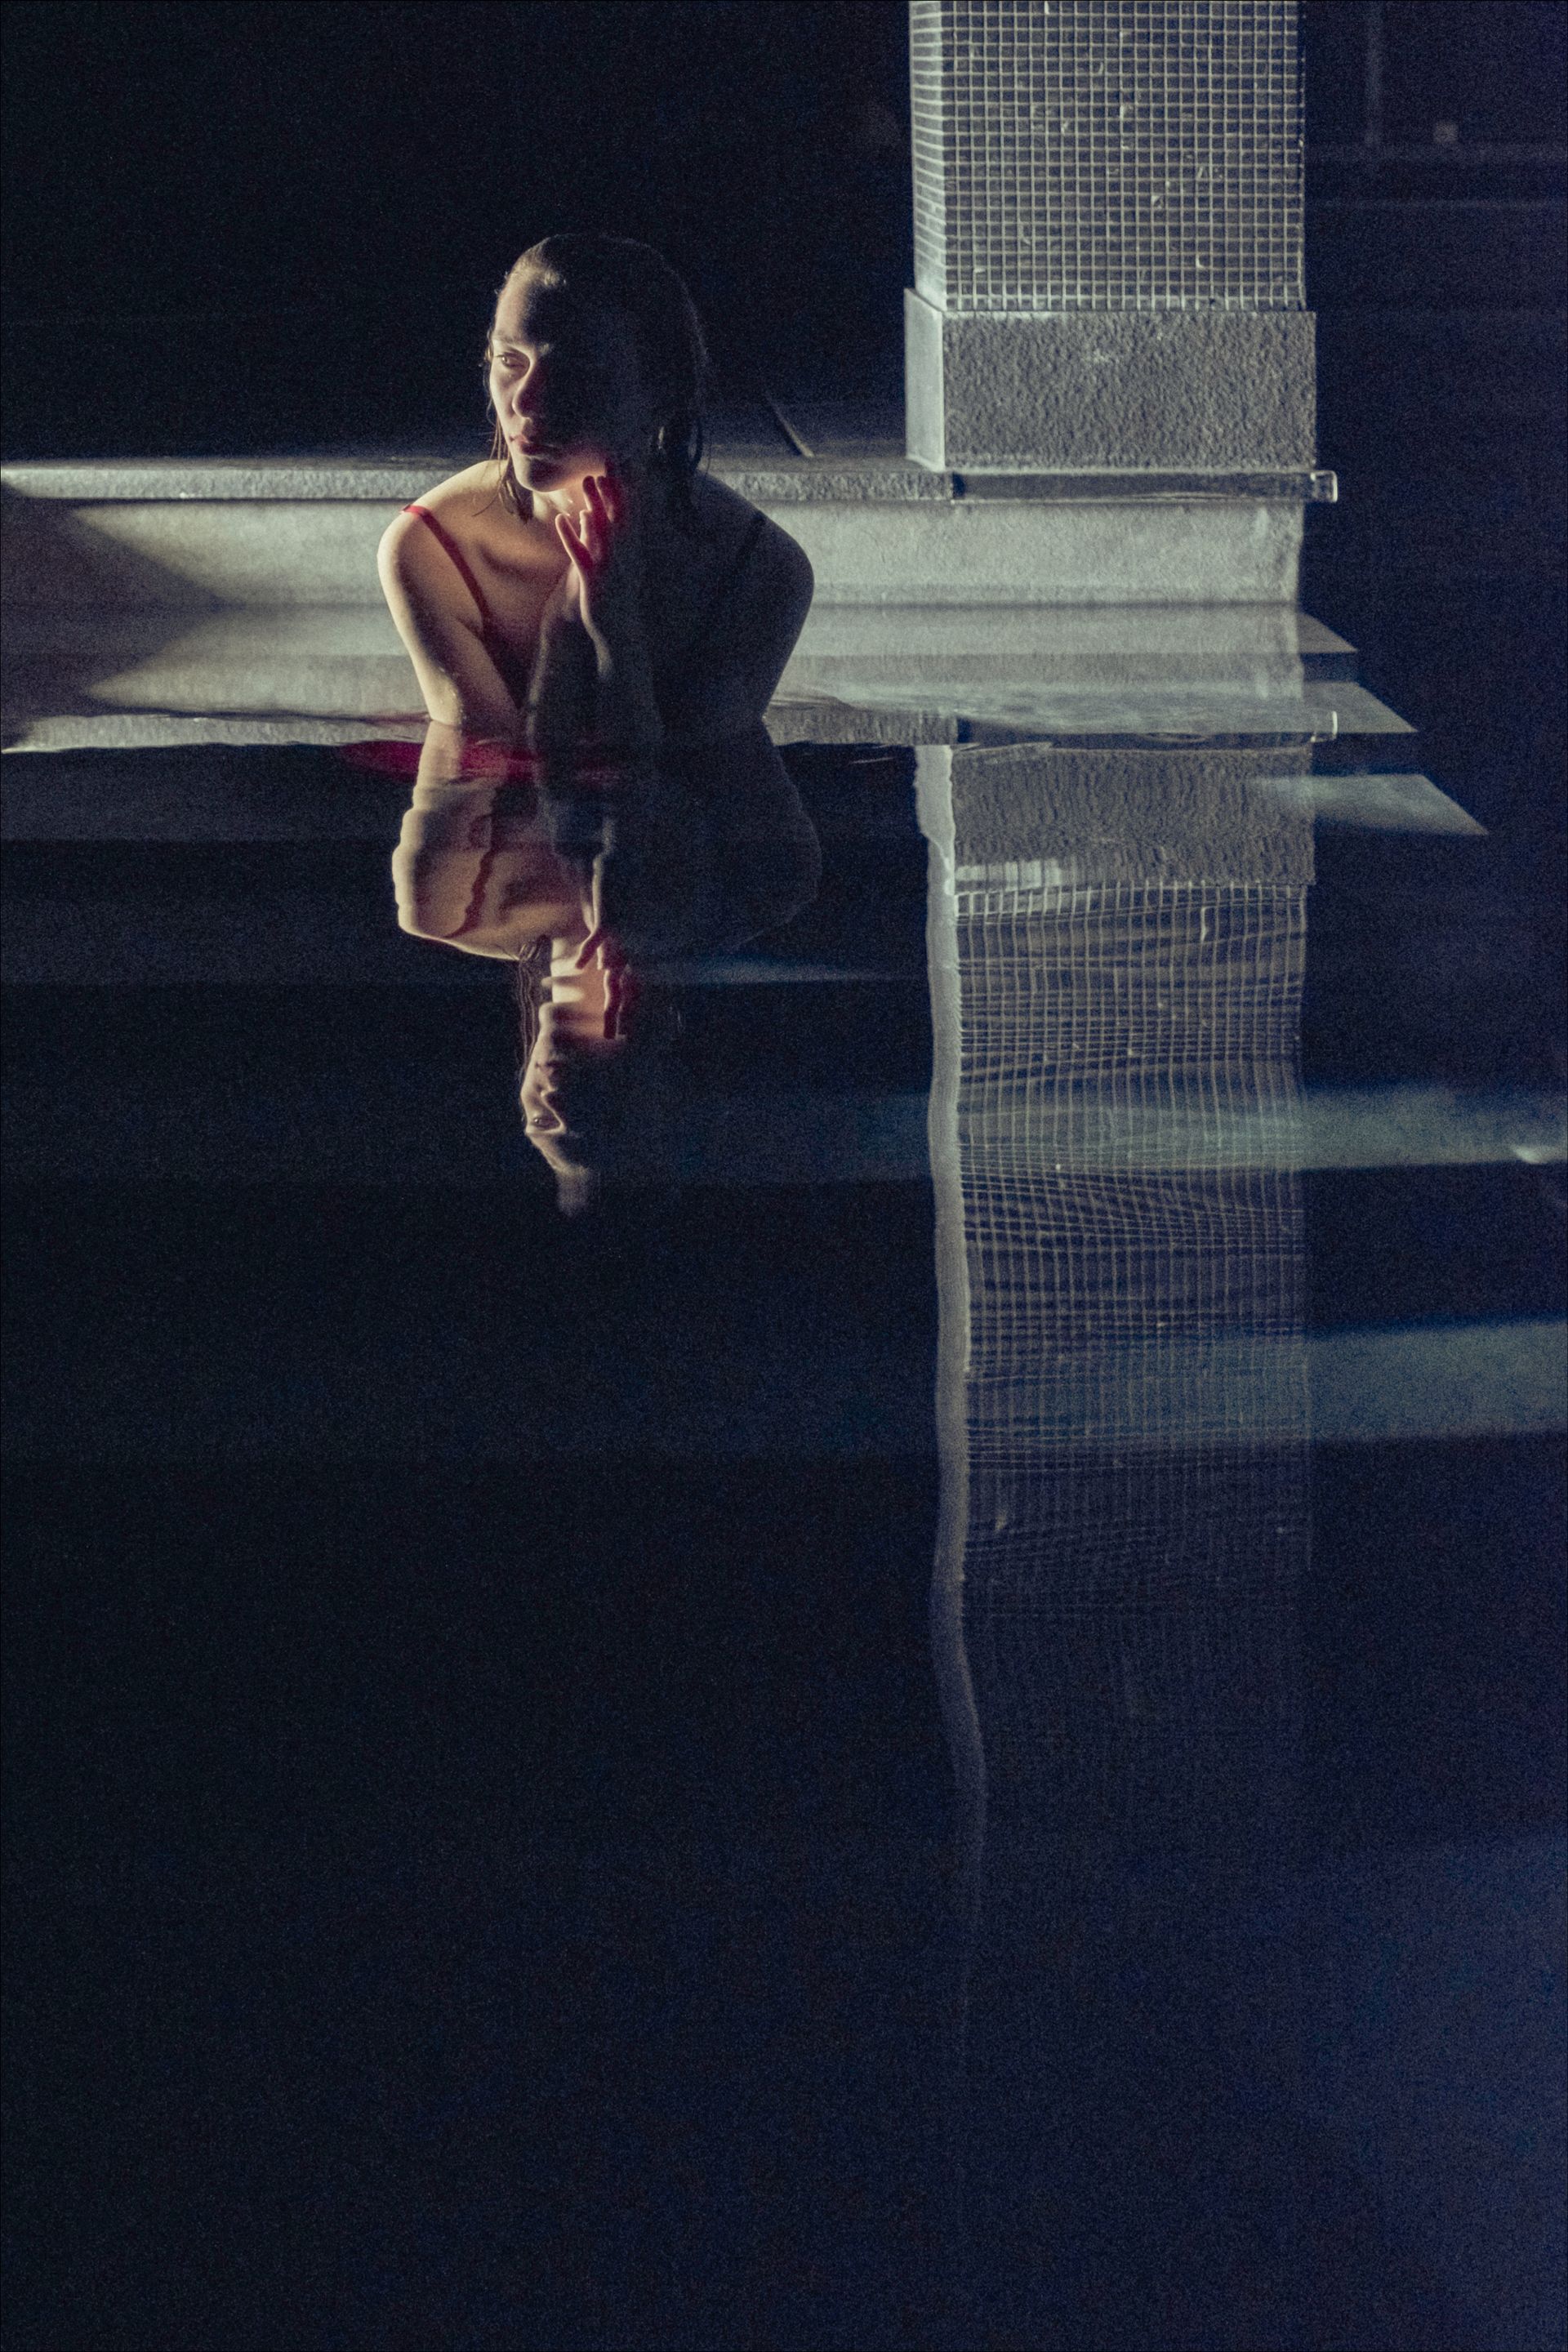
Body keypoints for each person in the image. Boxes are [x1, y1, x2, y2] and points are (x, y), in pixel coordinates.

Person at [376, 233, 814, 751]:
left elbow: (687, 796)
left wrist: (614, 637)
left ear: (661, 393)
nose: (527, 403)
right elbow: (485, 782)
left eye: (571, 372)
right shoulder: (431, 550)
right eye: (509, 360)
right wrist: (561, 635)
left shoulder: (759, 571)